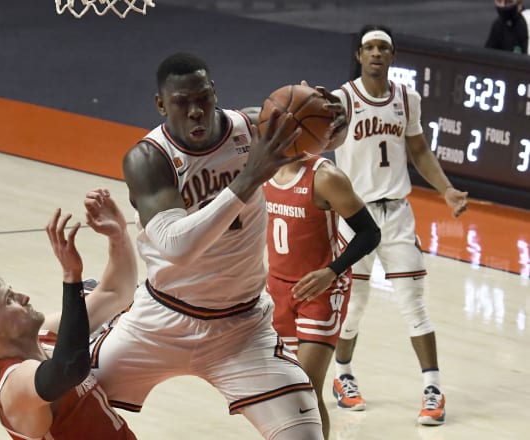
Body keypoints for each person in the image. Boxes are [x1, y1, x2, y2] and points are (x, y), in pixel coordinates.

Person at [87, 51, 346, 440]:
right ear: (160, 104)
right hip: (161, 322)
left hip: (241, 328)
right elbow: (177, 246)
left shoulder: (252, 127)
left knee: (305, 434)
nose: (196, 111)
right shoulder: (148, 159)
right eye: (182, 101)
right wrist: (248, 179)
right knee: (67, 398)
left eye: (203, 97)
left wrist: (331, 120)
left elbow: (317, 139)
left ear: (215, 93)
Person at [322, 25, 469, 426]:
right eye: (369, 47)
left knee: (413, 304)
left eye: (382, 48)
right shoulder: (340, 100)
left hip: (397, 213)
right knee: (354, 306)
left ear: (392, 55)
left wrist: (447, 190)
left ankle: (433, 388)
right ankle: (343, 375)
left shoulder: (407, 99)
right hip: (355, 215)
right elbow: (319, 148)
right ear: (359, 55)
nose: (375, 54)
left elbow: (419, 150)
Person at [0, 189, 138, 440]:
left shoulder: (49, 334)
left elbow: (115, 292)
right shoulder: (14, 387)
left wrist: (118, 235)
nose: (24, 297)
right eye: (10, 300)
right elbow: (68, 369)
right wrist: (71, 277)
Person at [260, 151, 381, 439]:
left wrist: (331, 271)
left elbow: (370, 233)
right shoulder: (261, 167)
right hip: (277, 288)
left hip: (321, 291)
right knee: (283, 390)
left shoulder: (325, 176)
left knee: (306, 387)